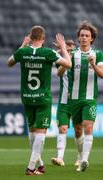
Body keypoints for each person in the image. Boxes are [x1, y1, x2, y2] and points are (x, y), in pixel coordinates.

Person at [7, 25, 71, 175]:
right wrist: (63, 48)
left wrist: (23, 45)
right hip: (43, 99)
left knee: (32, 130)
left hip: (27, 98)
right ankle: (30, 167)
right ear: (43, 38)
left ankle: (40, 164)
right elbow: (68, 64)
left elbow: (9, 63)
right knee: (41, 132)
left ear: (30, 37)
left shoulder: (23, 52)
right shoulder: (48, 53)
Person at [69, 21, 103, 172]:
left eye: (87, 35)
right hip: (74, 99)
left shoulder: (98, 54)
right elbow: (61, 73)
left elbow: (102, 75)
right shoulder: (72, 55)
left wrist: (94, 65)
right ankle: (80, 155)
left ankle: (84, 160)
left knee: (88, 126)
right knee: (77, 130)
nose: (83, 38)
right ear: (78, 38)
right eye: (81, 35)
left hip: (89, 99)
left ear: (92, 39)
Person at [51, 40, 77, 166]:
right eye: (68, 48)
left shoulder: (80, 61)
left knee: (79, 130)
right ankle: (60, 158)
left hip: (78, 101)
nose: (70, 51)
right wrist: (62, 51)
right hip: (64, 101)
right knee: (62, 128)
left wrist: (65, 50)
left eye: (71, 49)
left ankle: (81, 158)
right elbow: (59, 73)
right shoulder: (61, 62)